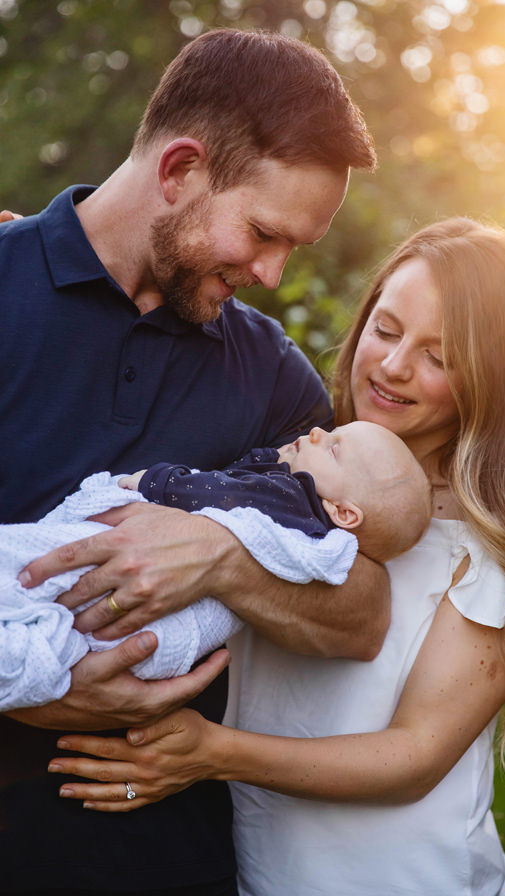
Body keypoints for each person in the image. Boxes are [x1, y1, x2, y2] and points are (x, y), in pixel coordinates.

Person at [47, 218, 505, 896]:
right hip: (260, 868)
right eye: (387, 330)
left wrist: (213, 754)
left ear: (493, 377)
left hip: (401, 879)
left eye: (440, 356)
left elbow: (416, 755)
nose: (394, 366)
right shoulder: (305, 467)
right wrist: (38, 260)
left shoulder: (503, 534)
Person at [0, 27, 378, 895]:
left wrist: (221, 556)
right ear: (179, 170)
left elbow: (359, 614)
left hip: (171, 864)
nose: (275, 274)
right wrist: (38, 692)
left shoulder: (271, 372)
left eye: (296, 249)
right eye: (262, 232)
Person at [0, 422, 430, 708]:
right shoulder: (309, 526)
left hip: (122, 587)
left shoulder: (289, 497)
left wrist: (149, 481)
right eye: (333, 432)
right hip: (152, 642)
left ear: (344, 513)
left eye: (335, 448)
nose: (317, 431)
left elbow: (215, 495)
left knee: (19, 567)